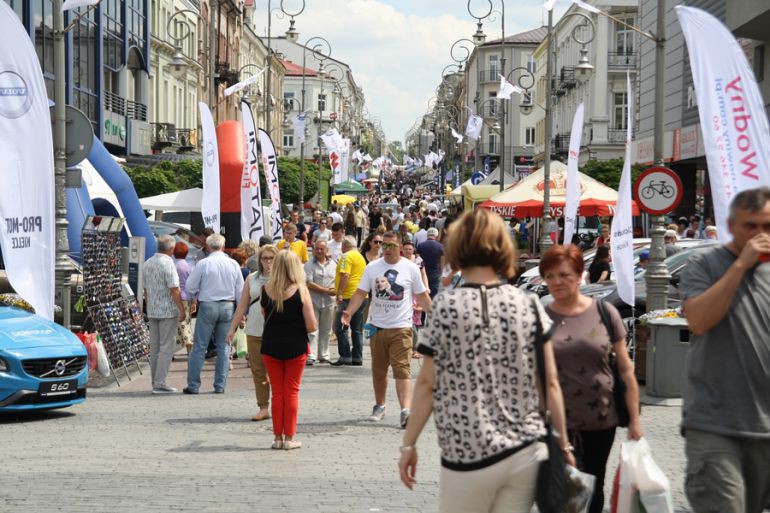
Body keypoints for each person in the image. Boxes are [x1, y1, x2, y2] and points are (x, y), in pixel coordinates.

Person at [398, 209, 573, 513]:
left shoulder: (446, 307)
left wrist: (409, 444)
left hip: (466, 451)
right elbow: (550, 382)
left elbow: (427, 384)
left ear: (458, 248)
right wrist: (564, 444)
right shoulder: (528, 304)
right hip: (523, 450)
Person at [680, 187, 770, 513]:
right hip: (715, 425)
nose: (761, 235)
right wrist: (740, 267)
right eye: (751, 226)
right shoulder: (705, 264)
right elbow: (699, 321)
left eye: (768, 226)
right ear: (731, 226)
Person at [539, 244, 642, 513]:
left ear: (579, 274)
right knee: (564, 492)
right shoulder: (542, 318)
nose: (556, 282)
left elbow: (625, 370)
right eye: (549, 276)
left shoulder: (605, 313)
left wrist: (635, 420)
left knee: (593, 486)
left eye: (564, 275)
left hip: (601, 416)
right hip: (556, 418)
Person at [341, 231, 431, 428]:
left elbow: (422, 296)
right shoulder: (373, 268)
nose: (387, 249)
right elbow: (360, 293)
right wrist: (348, 312)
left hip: (402, 328)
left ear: (399, 247)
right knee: (379, 371)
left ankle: (405, 411)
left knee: (402, 370)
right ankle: (380, 405)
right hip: (377, 328)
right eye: (384, 245)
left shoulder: (410, 269)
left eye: (391, 245)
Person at [260, 250, 318, 450]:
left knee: (277, 393)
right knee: (291, 392)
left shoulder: (265, 289)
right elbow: (312, 326)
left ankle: (277, 438)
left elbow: (264, 314)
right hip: (295, 346)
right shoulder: (301, 291)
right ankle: (290, 437)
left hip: (270, 346)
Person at [184, 234, 244, 394]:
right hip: (228, 306)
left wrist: (194, 295)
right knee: (224, 346)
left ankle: (194, 385)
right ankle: (220, 385)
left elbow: (190, 286)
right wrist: (241, 312)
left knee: (199, 347)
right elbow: (240, 291)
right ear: (223, 247)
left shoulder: (203, 263)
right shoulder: (233, 264)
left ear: (208, 247)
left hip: (208, 305)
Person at [225, 245, 277, 422]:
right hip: (254, 329)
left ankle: (279, 404)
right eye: (265, 258)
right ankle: (263, 406)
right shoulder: (252, 278)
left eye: (271, 258)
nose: (268, 262)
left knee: (276, 370)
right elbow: (242, 305)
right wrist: (232, 328)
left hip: (277, 330)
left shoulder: (282, 278)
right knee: (258, 370)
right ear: (259, 260)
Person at [143, 235, 186, 394]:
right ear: (171, 249)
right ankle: (160, 383)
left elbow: (145, 289)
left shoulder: (148, 263)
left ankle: (155, 381)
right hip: (167, 311)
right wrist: (181, 309)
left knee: (154, 347)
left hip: (153, 310)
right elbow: (174, 289)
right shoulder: (168, 263)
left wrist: (149, 306)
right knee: (167, 347)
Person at [332, 236, 367, 366]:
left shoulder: (346, 256)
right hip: (361, 296)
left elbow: (345, 275)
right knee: (357, 329)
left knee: (341, 327)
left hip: (348, 295)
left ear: (344, 245)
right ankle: (357, 357)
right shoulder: (360, 257)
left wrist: (339, 292)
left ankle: (345, 356)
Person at [304, 240, 336, 365]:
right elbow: (309, 283)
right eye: (316, 249)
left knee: (326, 329)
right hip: (313, 301)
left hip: (329, 302)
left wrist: (335, 291)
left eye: (321, 249)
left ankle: (324, 354)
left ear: (326, 250)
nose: (318, 251)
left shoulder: (333, 264)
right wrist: (326, 291)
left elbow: (336, 281)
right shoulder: (308, 265)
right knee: (312, 329)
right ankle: (311, 354)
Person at [173, 242, 195, 354]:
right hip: (188, 296)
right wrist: (195, 299)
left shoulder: (173, 266)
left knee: (180, 322)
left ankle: (188, 341)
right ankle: (188, 345)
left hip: (176, 296)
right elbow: (193, 283)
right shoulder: (189, 267)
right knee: (186, 320)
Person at [416, 227, 444, 298]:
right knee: (434, 295)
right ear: (437, 236)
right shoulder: (441, 247)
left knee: (423, 294)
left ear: (427, 235)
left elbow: (418, 261)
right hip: (435, 274)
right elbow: (442, 263)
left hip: (422, 274)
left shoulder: (420, 246)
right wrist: (441, 273)